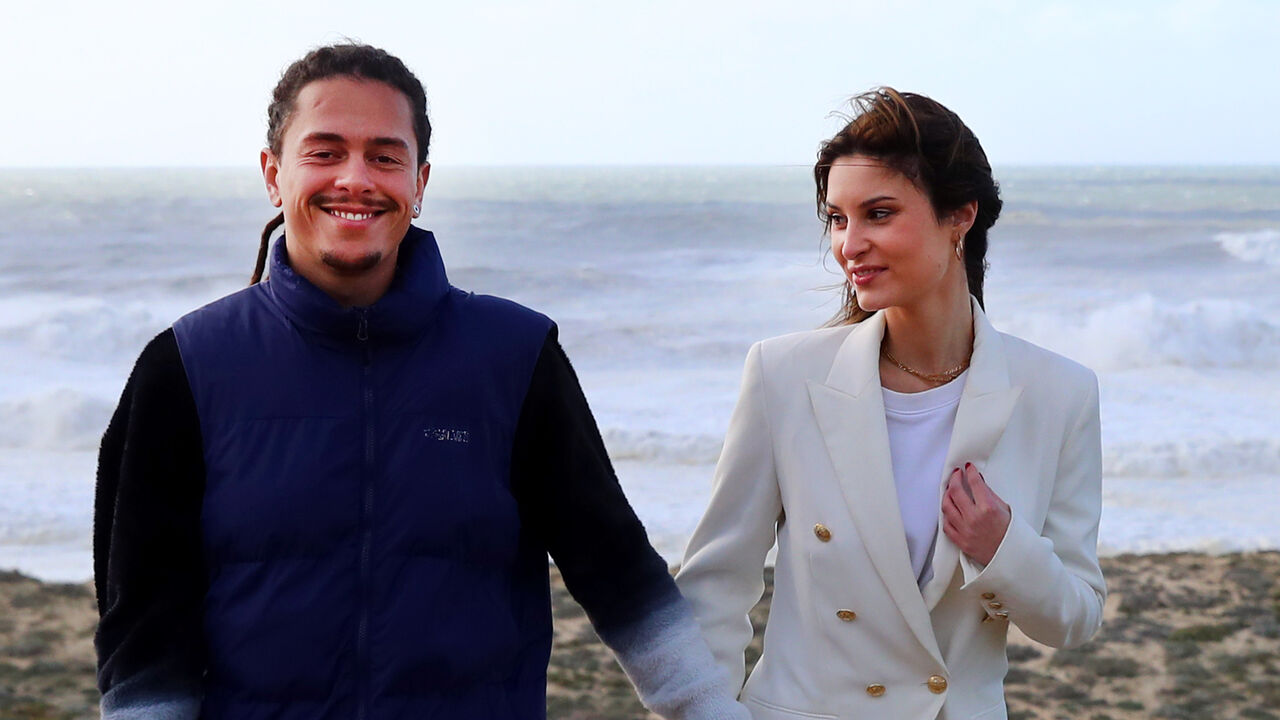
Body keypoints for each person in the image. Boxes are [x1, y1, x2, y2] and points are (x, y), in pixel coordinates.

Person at [93, 43, 748, 720]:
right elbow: (142, 623)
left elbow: (615, 567)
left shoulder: (514, 356)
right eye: (324, 152)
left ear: (420, 181)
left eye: (385, 156)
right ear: (273, 174)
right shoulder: (186, 365)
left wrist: (707, 706)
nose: (355, 179)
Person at [675, 88, 1106, 720]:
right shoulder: (784, 374)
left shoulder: (1059, 392)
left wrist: (1003, 547)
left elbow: (1076, 617)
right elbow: (715, 585)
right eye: (837, 219)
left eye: (878, 214)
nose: (849, 244)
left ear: (960, 215)